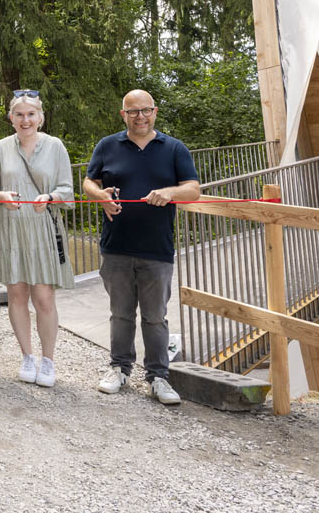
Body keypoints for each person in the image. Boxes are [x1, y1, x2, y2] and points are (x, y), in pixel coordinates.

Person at [83, 89, 200, 405]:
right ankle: (119, 369)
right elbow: (88, 182)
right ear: (123, 115)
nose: (139, 117)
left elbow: (193, 190)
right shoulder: (108, 145)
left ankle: (158, 377)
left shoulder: (174, 148)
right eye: (132, 111)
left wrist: (170, 193)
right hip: (115, 247)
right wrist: (100, 196)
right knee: (120, 314)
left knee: (155, 317)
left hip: (157, 249)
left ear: (155, 112)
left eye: (145, 110)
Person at [0, 90, 74, 387]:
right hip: (10, 228)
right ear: (11, 118)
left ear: (41, 117)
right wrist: (1, 196)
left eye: (31, 114)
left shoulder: (55, 146)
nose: (25, 120)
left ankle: (48, 360)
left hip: (43, 229)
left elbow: (67, 191)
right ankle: (27, 356)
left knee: (44, 296)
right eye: (19, 114)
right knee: (17, 294)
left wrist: (50, 196)